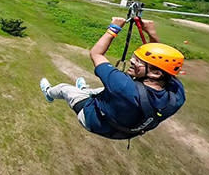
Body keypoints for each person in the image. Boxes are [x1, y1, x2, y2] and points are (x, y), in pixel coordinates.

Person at [40, 17, 185, 140]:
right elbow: (158, 66)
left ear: (156, 73)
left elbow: (96, 54)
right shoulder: (177, 94)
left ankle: (49, 93)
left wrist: (114, 27)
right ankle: (86, 90)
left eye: (139, 62)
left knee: (65, 89)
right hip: (124, 129)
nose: (132, 61)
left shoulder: (122, 85)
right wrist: (152, 35)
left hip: (93, 119)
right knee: (104, 91)